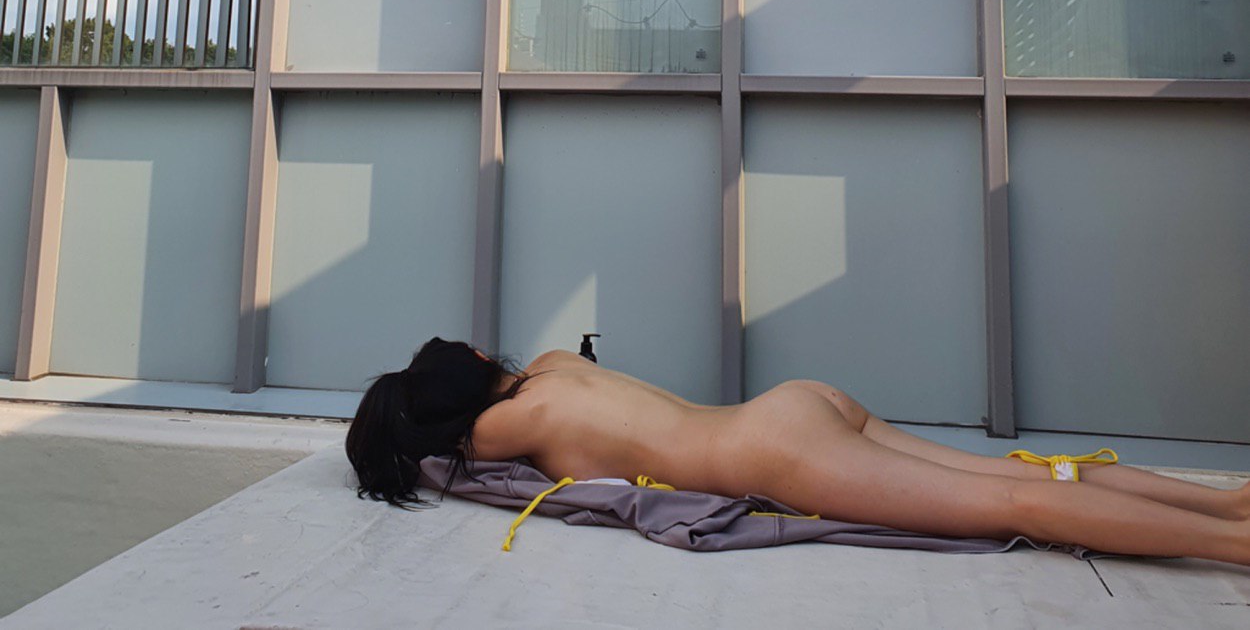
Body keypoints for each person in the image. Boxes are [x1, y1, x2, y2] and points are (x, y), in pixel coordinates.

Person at [346, 337, 1250, 565]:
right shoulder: (551, 366)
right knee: (1004, 475)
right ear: (483, 363)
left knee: (1009, 507)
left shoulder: (499, 429)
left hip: (775, 452)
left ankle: (1234, 541)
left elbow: (439, 458)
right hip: (793, 407)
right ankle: (1225, 505)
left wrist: (404, 434)